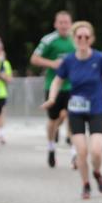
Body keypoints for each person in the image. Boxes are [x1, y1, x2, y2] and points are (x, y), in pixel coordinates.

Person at [43, 21, 102, 199]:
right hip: (76, 111)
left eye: (86, 37)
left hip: (96, 108)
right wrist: (52, 98)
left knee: (96, 151)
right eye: (79, 37)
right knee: (81, 151)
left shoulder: (99, 58)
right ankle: (85, 184)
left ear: (92, 39)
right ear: (74, 39)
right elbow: (58, 80)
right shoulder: (69, 60)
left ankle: (97, 172)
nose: (82, 39)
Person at [31, 11, 75, 168]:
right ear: (56, 24)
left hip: (72, 85)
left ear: (71, 24)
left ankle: (74, 152)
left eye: (66, 22)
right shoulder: (49, 40)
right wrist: (52, 63)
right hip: (53, 86)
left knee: (73, 115)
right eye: (61, 22)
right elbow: (34, 58)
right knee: (53, 120)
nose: (64, 26)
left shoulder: (75, 40)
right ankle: (51, 146)